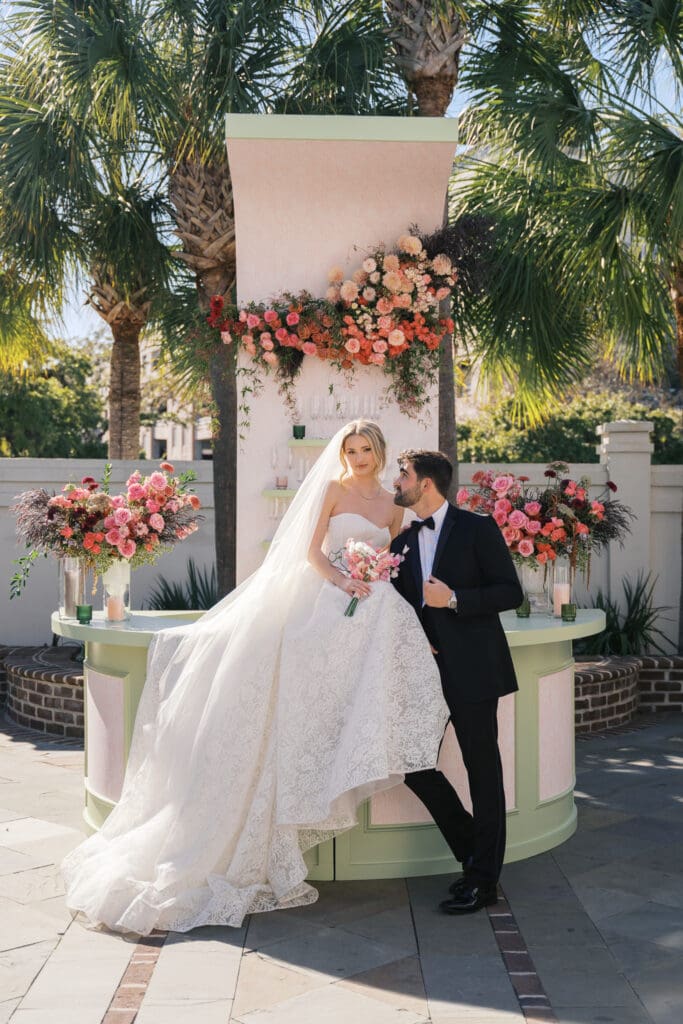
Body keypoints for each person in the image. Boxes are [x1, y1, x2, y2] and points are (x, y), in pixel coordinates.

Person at [61, 421, 448, 935]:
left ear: (380, 454)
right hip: (326, 597)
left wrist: (373, 582)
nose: (358, 457)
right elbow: (310, 553)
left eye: (366, 450)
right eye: (351, 449)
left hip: (370, 607)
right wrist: (342, 579)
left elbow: (393, 562)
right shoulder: (331, 490)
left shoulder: (395, 505)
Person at [391, 449, 523, 914]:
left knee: (483, 772)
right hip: (422, 676)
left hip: (474, 670)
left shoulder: (477, 528)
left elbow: (511, 592)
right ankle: (471, 848)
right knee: (411, 761)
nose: (397, 480)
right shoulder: (401, 544)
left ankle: (483, 881)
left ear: (425, 484)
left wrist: (454, 600)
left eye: (402, 474)